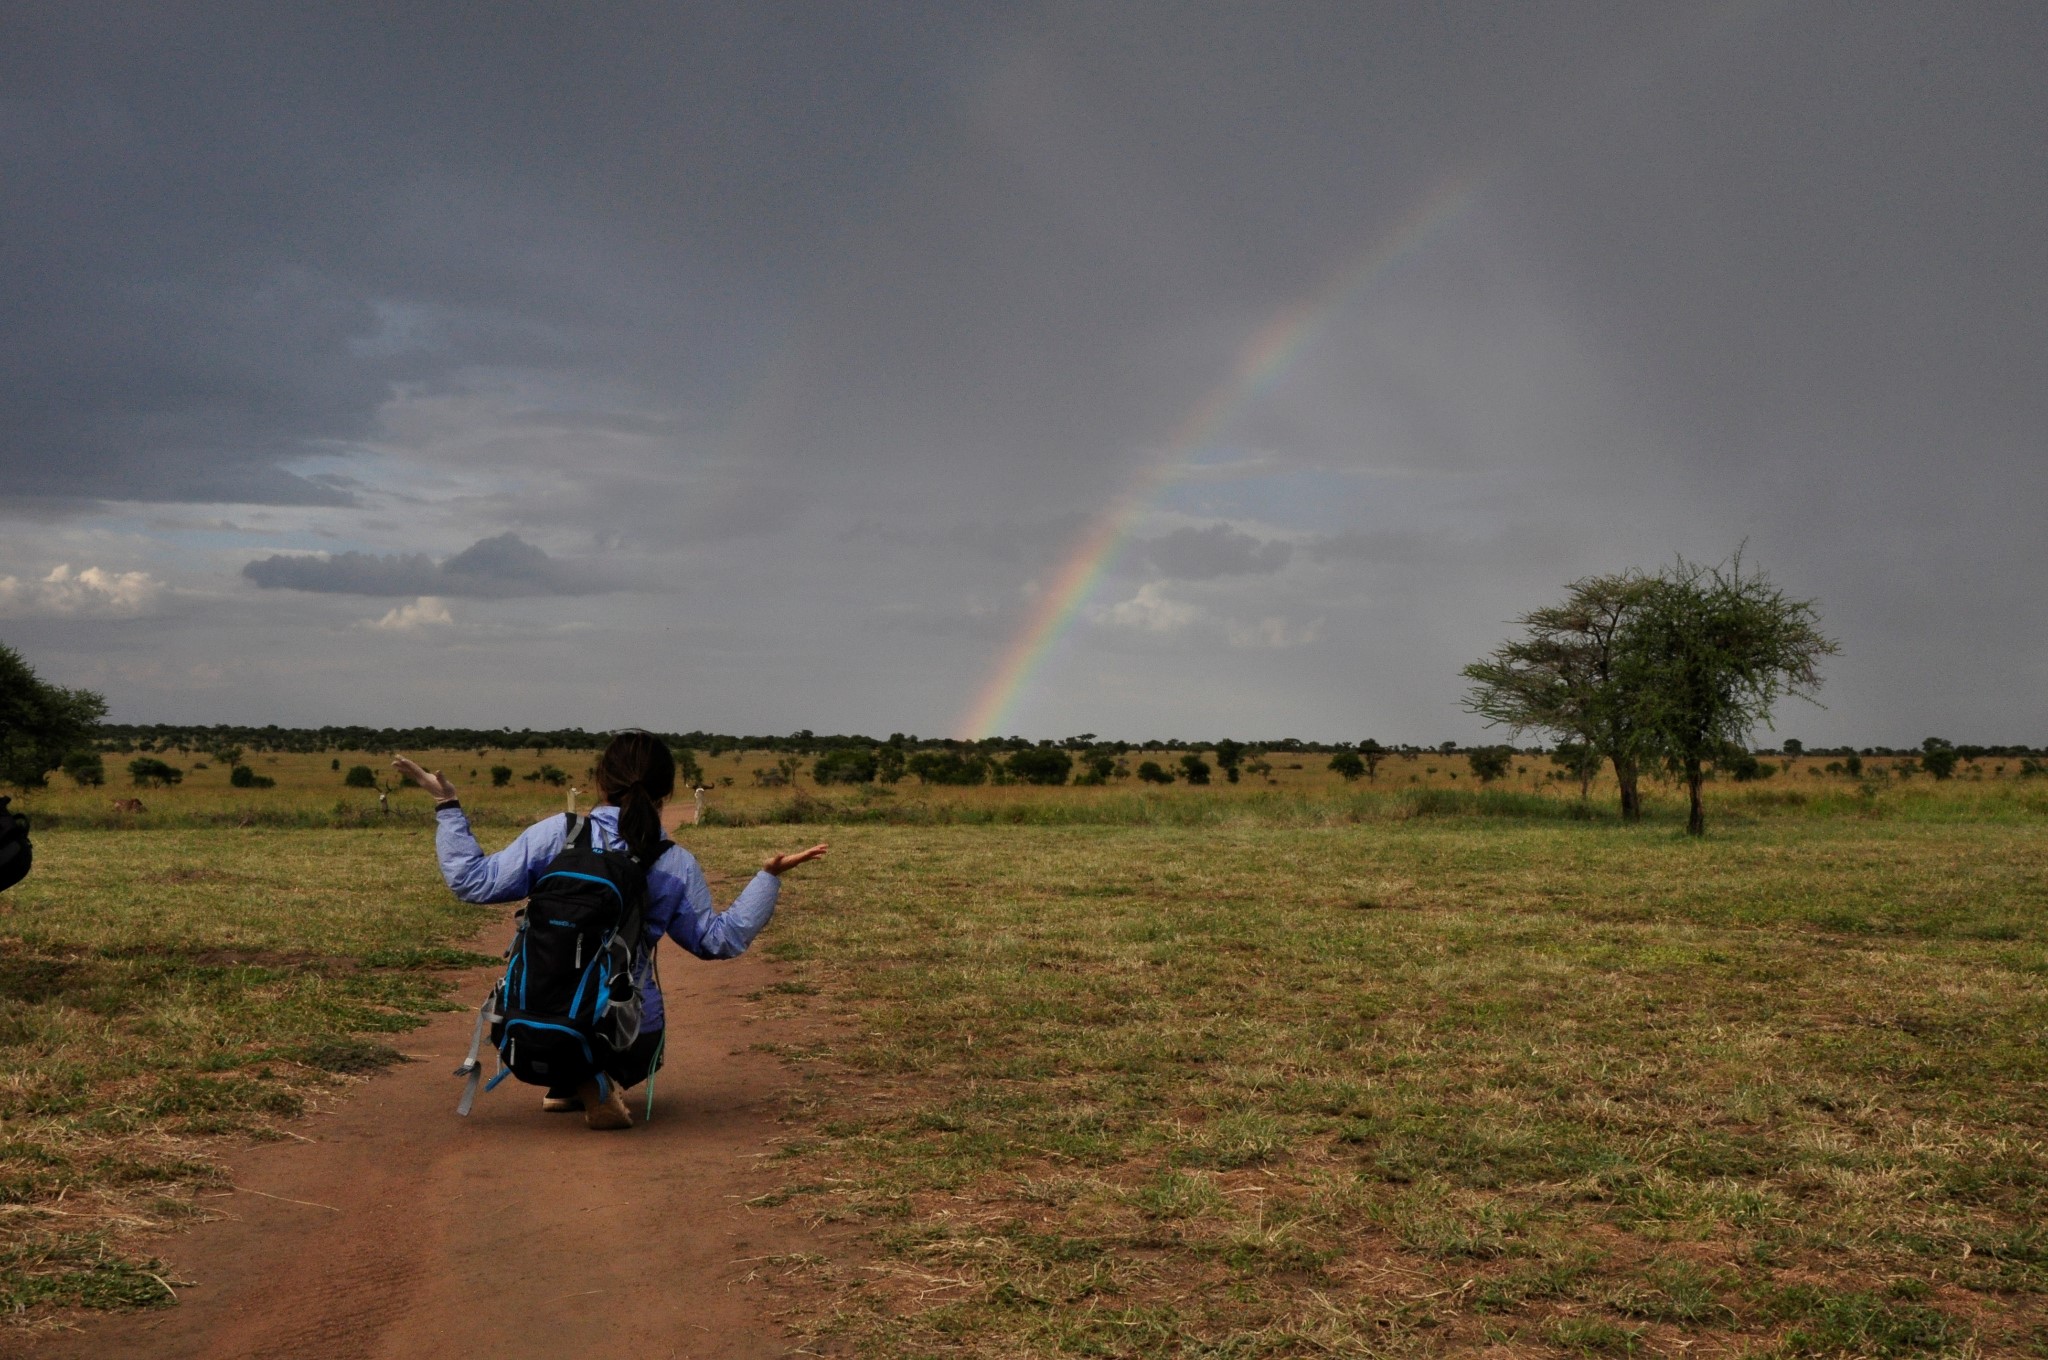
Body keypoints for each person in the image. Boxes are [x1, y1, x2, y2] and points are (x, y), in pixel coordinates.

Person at [392, 734, 826, 1130]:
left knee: (558, 1005)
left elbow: (473, 882)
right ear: (667, 791)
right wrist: (768, 878)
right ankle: (597, 1074)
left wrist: (447, 805)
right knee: (646, 1028)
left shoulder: (558, 834)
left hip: (526, 1027)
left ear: (601, 782)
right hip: (626, 1039)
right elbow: (718, 940)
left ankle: (564, 1080)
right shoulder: (674, 862)